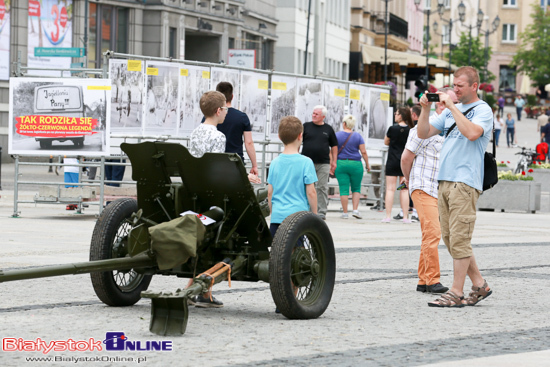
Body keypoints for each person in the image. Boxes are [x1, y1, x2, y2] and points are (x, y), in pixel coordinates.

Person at [417, 66, 493, 308]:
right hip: (445, 180)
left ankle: (456, 292)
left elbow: (472, 133)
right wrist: (425, 110)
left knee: (460, 239)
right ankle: (479, 284)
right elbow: (424, 132)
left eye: (460, 85)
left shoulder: (483, 110)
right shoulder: (453, 110)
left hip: (465, 181)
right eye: (454, 85)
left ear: (474, 86)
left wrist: (450, 106)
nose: (455, 89)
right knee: (451, 240)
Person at [401, 91, 454, 295]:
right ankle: (432, 280)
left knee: (429, 234)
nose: (447, 106)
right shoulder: (423, 128)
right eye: (444, 102)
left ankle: (424, 279)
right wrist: (409, 180)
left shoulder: (450, 128)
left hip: (436, 188)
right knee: (433, 233)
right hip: (423, 185)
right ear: (437, 105)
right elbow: (406, 158)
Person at [267, 116, 318, 236]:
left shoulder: (274, 162)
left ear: (279, 137)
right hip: (298, 216)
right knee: (296, 250)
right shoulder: (306, 162)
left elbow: (270, 192)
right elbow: (311, 192)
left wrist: (272, 212)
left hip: (277, 216)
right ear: (300, 136)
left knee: (278, 251)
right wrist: (315, 214)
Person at [211, 82, 259, 175]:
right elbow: (248, 143)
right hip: (236, 163)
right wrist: (255, 166)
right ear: (232, 96)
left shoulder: (210, 116)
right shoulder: (242, 117)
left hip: (214, 164)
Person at [302, 105, 338, 220]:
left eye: (316, 114)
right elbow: (298, 141)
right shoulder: (306, 126)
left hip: (323, 163)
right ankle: (306, 209)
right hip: (306, 162)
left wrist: (334, 162)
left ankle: (321, 211)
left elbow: (334, 146)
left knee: (322, 187)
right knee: (306, 186)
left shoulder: (328, 129)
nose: (313, 115)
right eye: (313, 113)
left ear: (323, 116)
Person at [381, 107, 414, 223]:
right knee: (404, 189)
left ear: (401, 116)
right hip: (405, 162)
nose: (395, 114)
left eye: (397, 113)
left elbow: (386, 141)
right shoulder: (411, 130)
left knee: (390, 189)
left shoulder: (392, 129)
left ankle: (388, 216)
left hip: (392, 161)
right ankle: (405, 217)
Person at [334, 115, 371, 219]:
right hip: (355, 164)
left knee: (343, 189)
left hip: (341, 164)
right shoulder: (358, 136)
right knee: (356, 188)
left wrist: (332, 164)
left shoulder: (337, 135)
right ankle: (355, 210)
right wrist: (368, 165)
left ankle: (345, 213)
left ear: (344, 124)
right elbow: (363, 151)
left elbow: (333, 151)